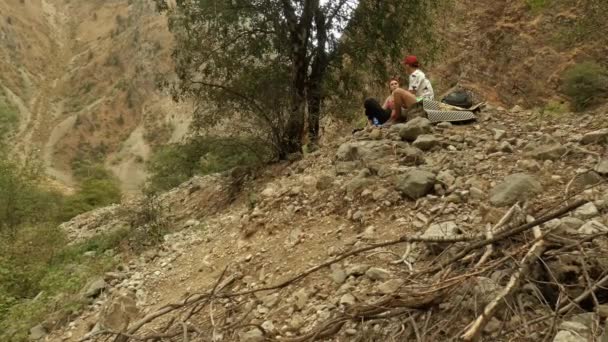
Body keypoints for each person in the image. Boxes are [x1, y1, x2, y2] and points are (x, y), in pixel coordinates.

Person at [387, 55, 434, 125]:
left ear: (407, 66)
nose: (405, 67)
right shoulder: (418, 73)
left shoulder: (414, 75)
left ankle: (397, 118)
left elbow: (412, 92)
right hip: (424, 100)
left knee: (397, 91)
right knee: (399, 95)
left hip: (424, 102)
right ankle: (397, 117)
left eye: (405, 65)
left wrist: (399, 100)